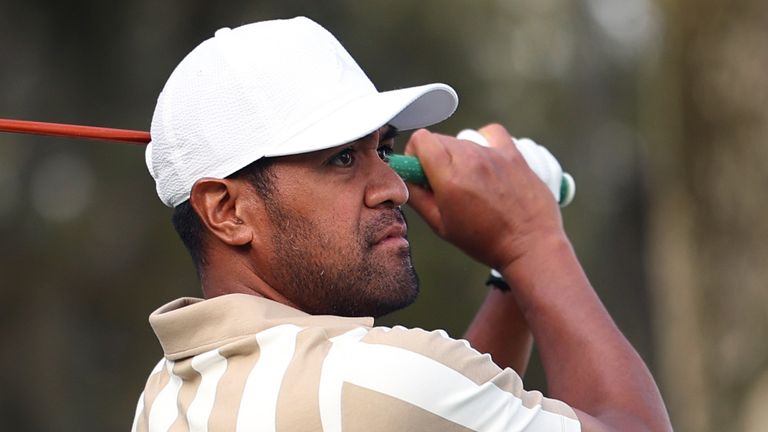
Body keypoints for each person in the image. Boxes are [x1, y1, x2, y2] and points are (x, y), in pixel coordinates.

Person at [132, 17, 671, 431]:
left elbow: (450, 405)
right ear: (227, 211)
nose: (392, 187)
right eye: (341, 159)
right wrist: (532, 239)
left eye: (383, 150)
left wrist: (514, 277)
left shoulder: (165, 396)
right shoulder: (371, 383)